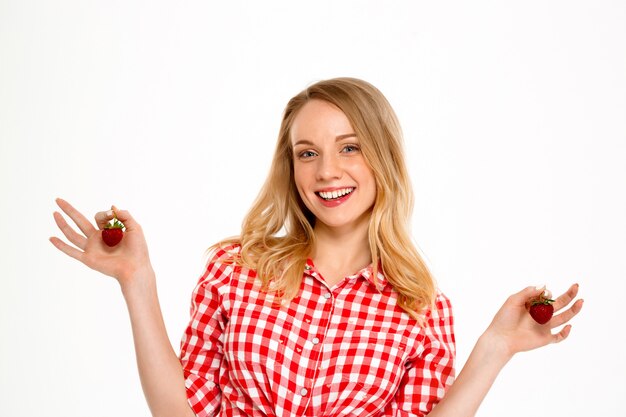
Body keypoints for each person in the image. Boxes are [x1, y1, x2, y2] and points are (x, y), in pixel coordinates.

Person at [50, 77, 583, 417]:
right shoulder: (234, 269)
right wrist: (137, 280)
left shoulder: (420, 308)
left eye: (349, 147)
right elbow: (179, 415)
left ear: (383, 159)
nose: (327, 171)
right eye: (307, 153)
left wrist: (494, 349)